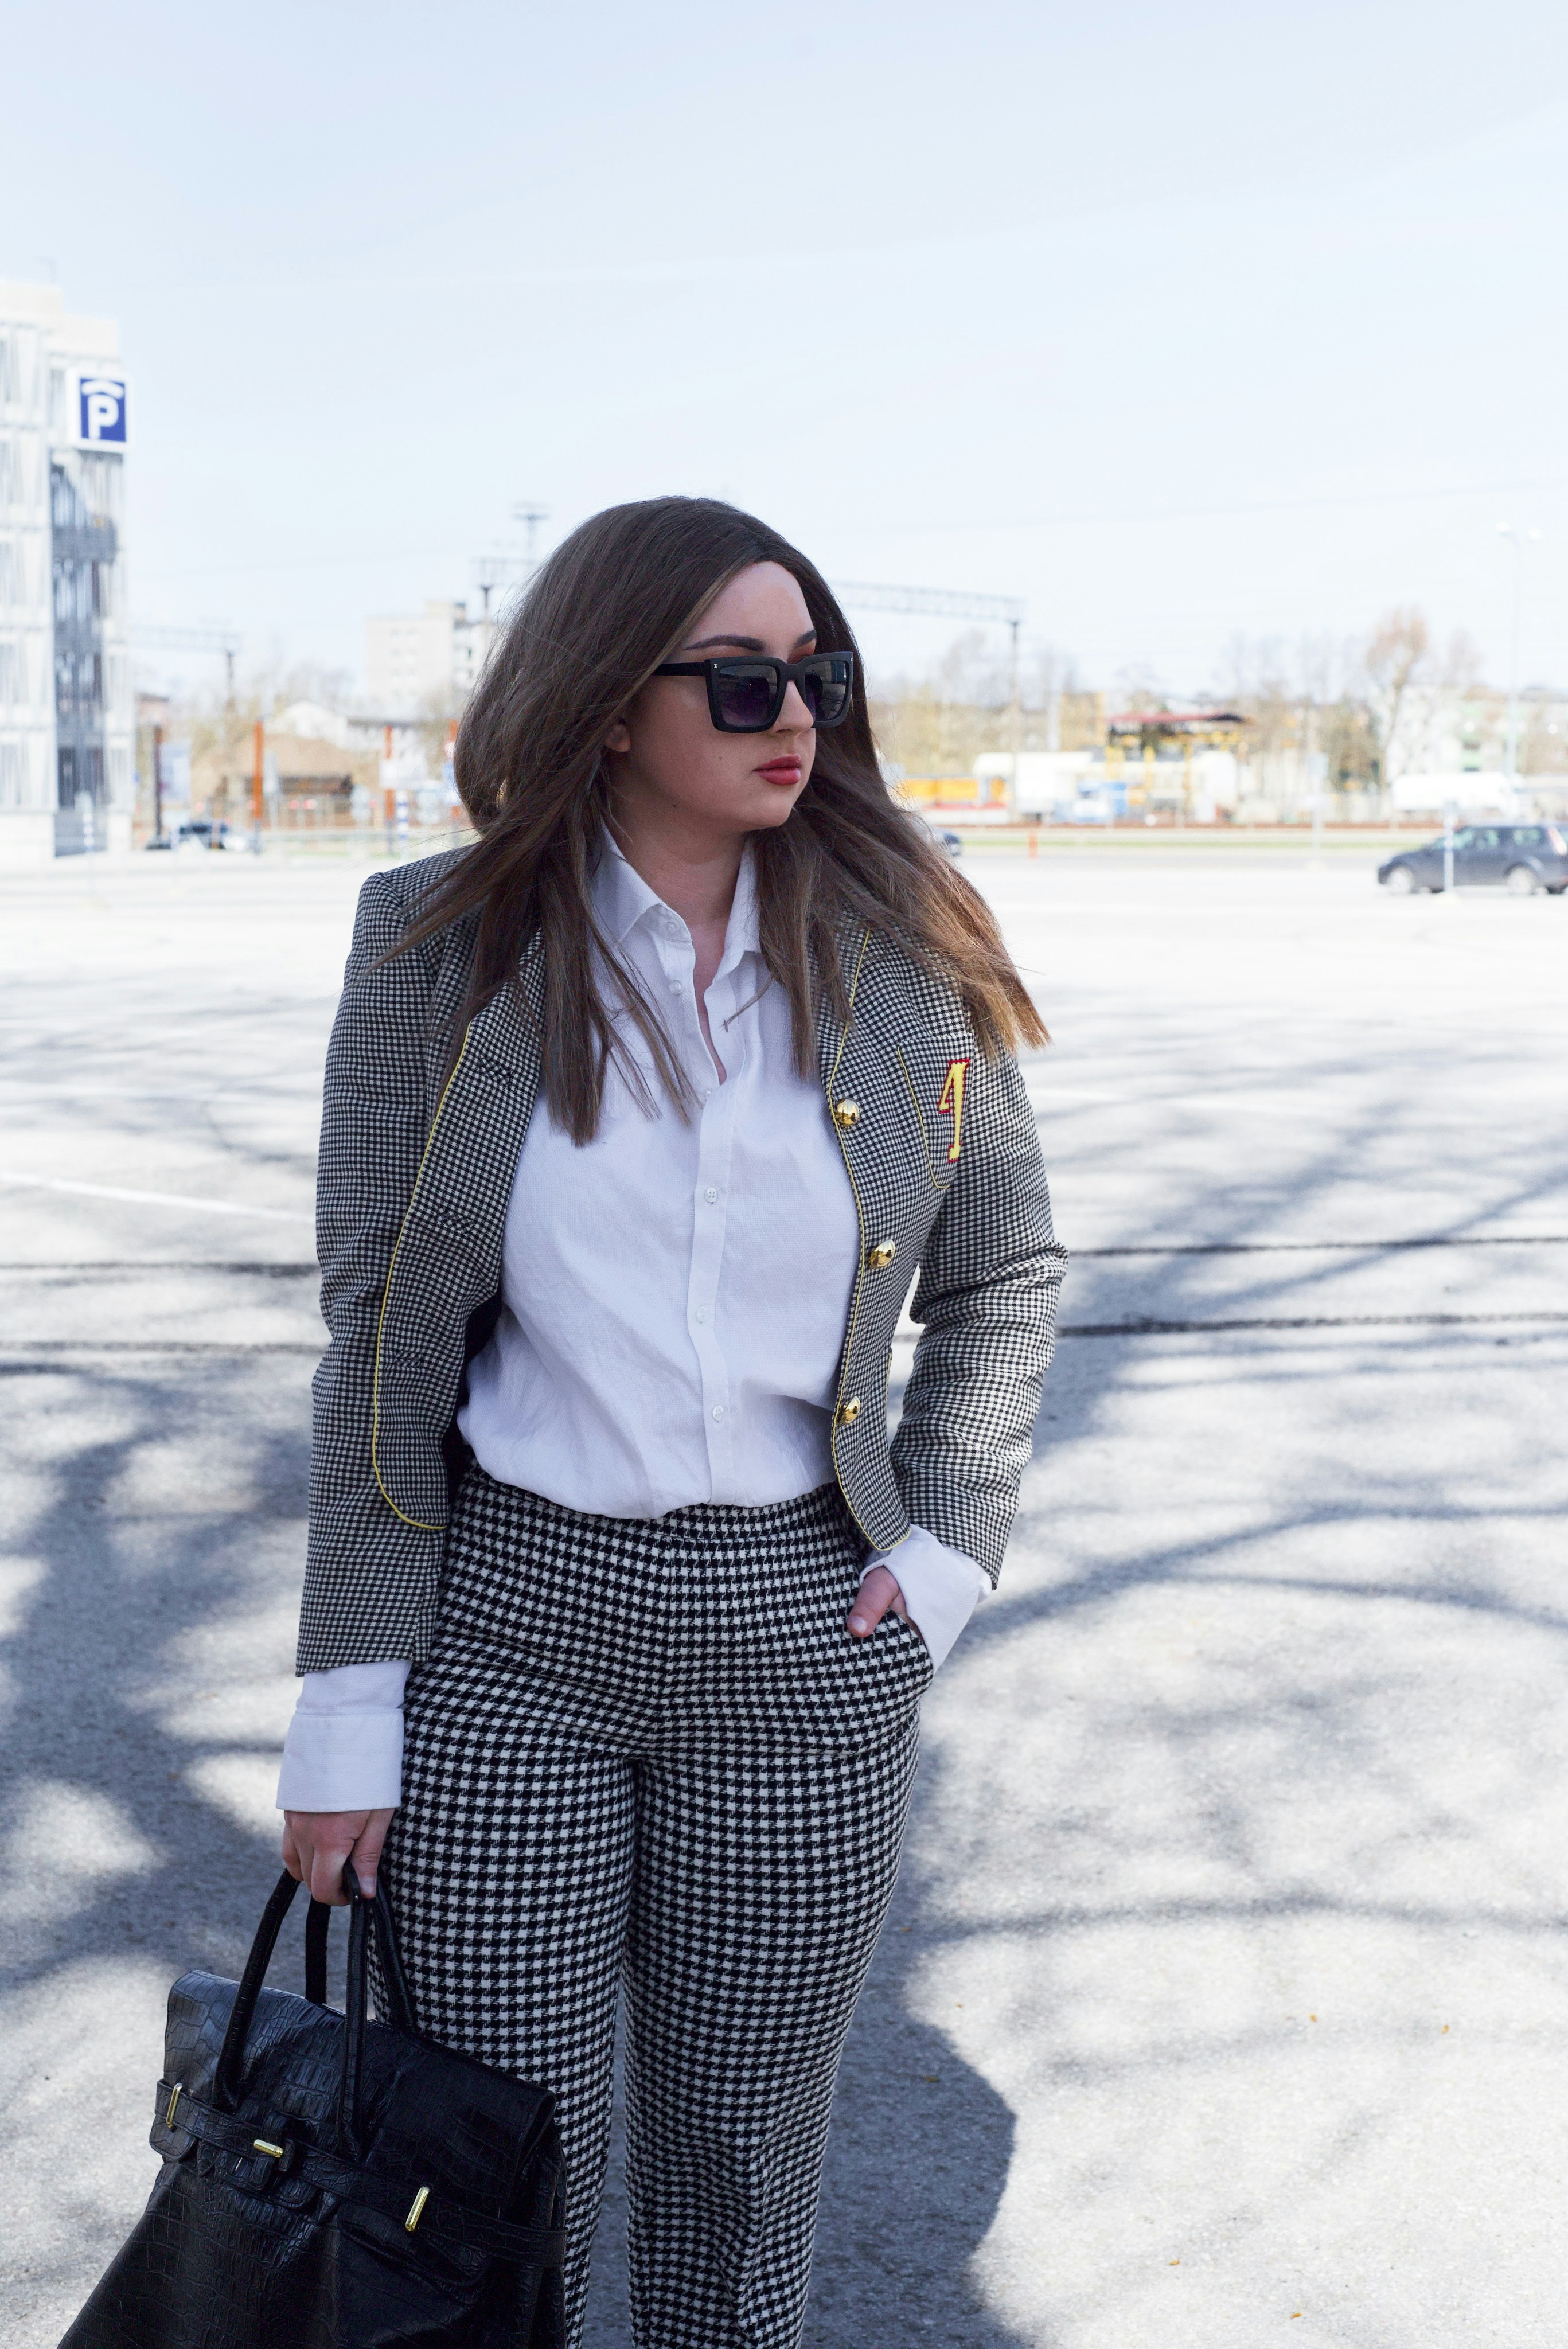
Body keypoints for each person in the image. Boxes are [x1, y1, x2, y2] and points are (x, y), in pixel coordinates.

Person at [276, 495, 1066, 2348]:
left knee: (740, 2173)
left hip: (806, 1636)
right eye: (738, 678)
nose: (792, 714)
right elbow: (378, 1338)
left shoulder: (907, 948)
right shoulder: (439, 942)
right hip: (509, 1638)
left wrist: (947, 1557)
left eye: (816, 674)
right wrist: (345, 1704)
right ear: (611, 700)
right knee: (495, 2181)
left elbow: (1007, 1275)